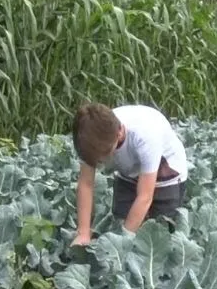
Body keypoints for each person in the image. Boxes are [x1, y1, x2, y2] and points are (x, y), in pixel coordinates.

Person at [69, 103, 189, 245]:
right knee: (120, 222)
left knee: (160, 235)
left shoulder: (145, 135)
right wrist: (83, 233)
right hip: (128, 174)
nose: (101, 161)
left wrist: (123, 243)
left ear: (119, 133)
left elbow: (145, 196)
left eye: (105, 155)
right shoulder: (90, 138)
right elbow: (86, 184)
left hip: (167, 175)